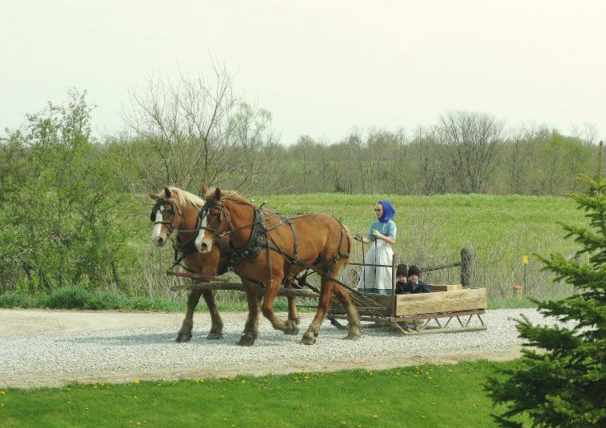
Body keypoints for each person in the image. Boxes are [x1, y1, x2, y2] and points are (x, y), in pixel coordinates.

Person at [356, 200, 397, 294]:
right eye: (375, 210)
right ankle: (368, 292)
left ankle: (384, 293)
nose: (377, 212)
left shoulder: (391, 224)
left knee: (383, 272)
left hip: (384, 251)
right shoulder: (374, 224)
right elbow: (369, 240)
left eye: (379, 210)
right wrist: (360, 238)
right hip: (373, 251)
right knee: (369, 270)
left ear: (385, 210)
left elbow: (392, 240)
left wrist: (380, 236)